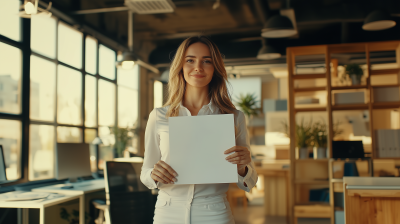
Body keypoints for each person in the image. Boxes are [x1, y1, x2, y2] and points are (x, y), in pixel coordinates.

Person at [140, 36, 258, 224]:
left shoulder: (234, 117)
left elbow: (249, 183)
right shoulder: (159, 116)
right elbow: (145, 172)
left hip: (215, 212)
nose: (198, 67)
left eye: (207, 61)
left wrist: (242, 167)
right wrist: (153, 175)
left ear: (215, 69)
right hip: (168, 211)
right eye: (190, 60)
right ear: (180, 66)